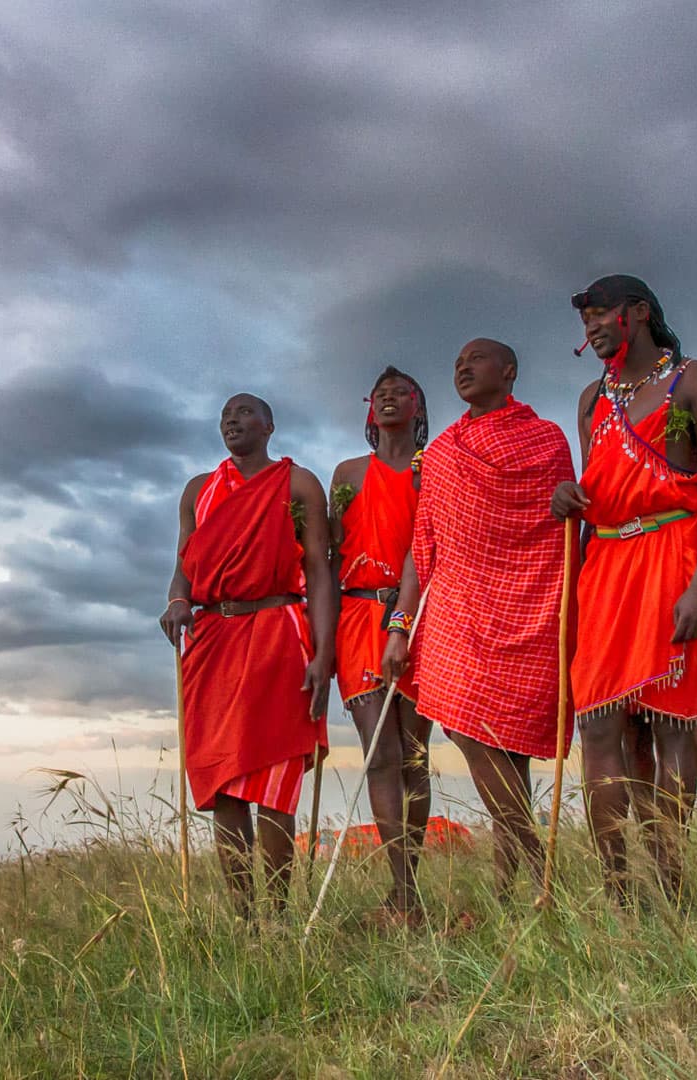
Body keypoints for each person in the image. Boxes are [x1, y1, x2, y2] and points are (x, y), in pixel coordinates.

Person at [550, 275, 697, 899]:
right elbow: (598, 487)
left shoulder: (694, 381)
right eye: (585, 319)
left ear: (638, 313)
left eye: (602, 313)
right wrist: (569, 500)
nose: (592, 326)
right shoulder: (592, 397)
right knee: (599, 725)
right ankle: (618, 890)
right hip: (606, 564)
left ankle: (671, 883)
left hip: (673, 552)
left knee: (671, 723)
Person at [382, 340, 575, 897]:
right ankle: (537, 861)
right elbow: (425, 544)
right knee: (466, 727)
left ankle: (507, 888)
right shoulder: (442, 451)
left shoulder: (547, 440)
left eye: (477, 359)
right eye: (457, 360)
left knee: (512, 744)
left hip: (530, 601)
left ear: (509, 372)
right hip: (457, 607)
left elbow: (557, 530)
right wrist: (401, 622)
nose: (462, 366)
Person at [161, 394, 334, 916]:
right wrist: (176, 602)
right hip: (212, 638)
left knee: (274, 777)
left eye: (243, 412)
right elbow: (183, 565)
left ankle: (278, 915)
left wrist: (324, 654)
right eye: (224, 416)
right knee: (224, 781)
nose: (231, 421)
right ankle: (245, 918)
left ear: (269, 425)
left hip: (276, 630)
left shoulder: (297, 483)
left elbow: (320, 572)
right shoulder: (199, 490)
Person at [329, 367, 433, 919]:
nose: (390, 399)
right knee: (380, 754)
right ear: (370, 409)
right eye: (380, 394)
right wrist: (320, 644)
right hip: (358, 614)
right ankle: (402, 892)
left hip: (421, 618)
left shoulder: (433, 469)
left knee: (414, 757)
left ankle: (407, 890)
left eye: (401, 392)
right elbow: (327, 560)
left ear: (418, 405)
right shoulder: (347, 473)